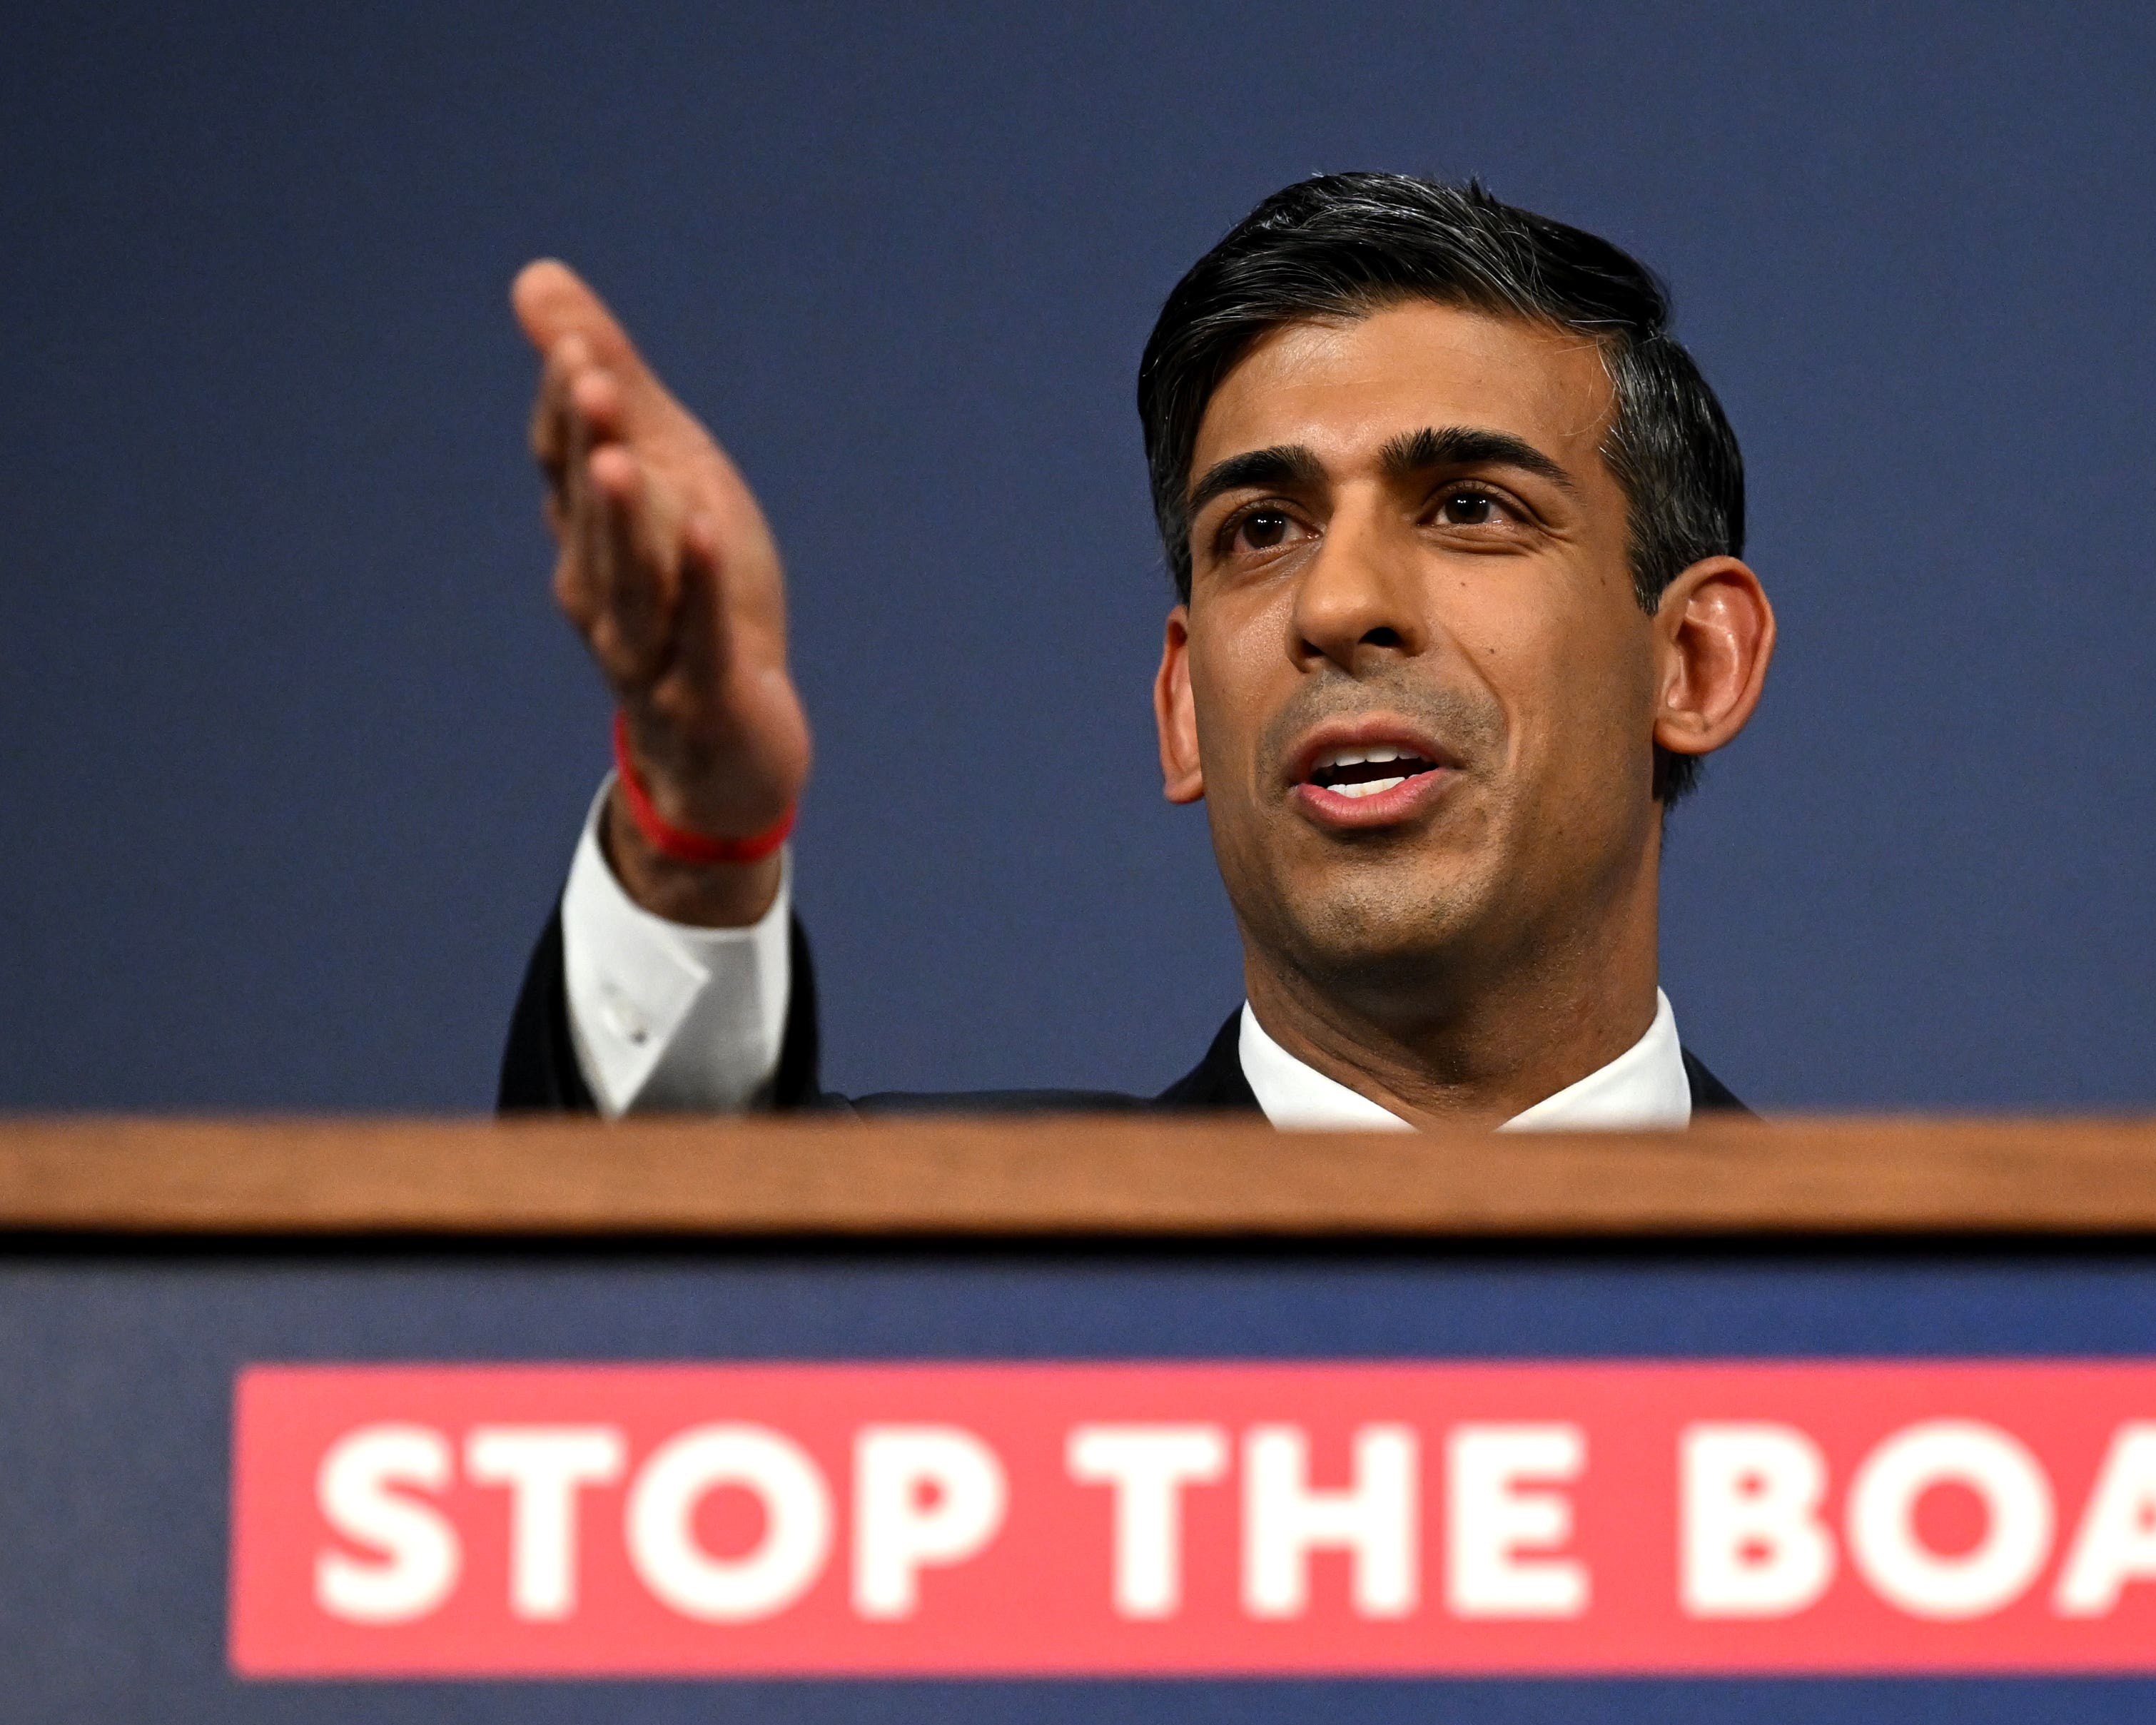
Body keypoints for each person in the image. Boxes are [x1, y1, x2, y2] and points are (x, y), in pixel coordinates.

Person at [499, 173, 1775, 1129]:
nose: (1336, 606)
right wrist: (696, 844)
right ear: (1180, 707)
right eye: (1262, 529)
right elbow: (625, 1313)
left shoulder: (1939, 1328)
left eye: (1468, 508)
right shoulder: (937, 1282)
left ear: (1695, 663)